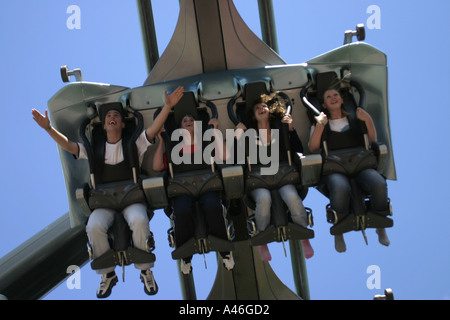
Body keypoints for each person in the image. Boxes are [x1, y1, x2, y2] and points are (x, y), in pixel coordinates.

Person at [31, 86, 184, 298]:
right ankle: (107, 273)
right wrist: (49, 129)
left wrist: (167, 106)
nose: (112, 117)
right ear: (104, 126)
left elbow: (152, 129)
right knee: (94, 225)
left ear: (122, 123)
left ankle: (145, 268)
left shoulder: (134, 144)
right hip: (104, 202)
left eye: (116, 116)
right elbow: (68, 146)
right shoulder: (93, 149)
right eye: (108, 116)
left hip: (131, 198)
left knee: (139, 220)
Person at [309, 88, 390, 253]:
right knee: (340, 188)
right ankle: (339, 228)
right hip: (335, 167)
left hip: (361, 164)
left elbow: (372, 141)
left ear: (342, 99)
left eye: (336, 95)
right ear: (323, 104)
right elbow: (313, 148)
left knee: (379, 184)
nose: (333, 98)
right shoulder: (321, 122)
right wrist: (320, 125)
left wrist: (367, 120)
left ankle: (380, 224)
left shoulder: (355, 118)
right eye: (329, 96)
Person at [235, 93, 314, 261]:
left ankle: (303, 235)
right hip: (259, 179)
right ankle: (262, 235)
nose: (261, 109)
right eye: (257, 108)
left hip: (283, 175)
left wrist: (291, 129)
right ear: (253, 115)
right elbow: (238, 156)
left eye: (264, 107)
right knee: (263, 199)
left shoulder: (280, 129)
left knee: (292, 197)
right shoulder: (249, 133)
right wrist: (238, 135)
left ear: (270, 111)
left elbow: (296, 149)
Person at [153, 114, 234, 275]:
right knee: (182, 212)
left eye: (191, 120)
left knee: (213, 206)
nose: (188, 122)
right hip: (182, 189)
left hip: (207, 185)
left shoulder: (205, 141)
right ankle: (186, 255)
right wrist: (161, 140)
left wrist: (215, 131)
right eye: (185, 121)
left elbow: (226, 157)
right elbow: (157, 167)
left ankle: (225, 250)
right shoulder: (173, 145)